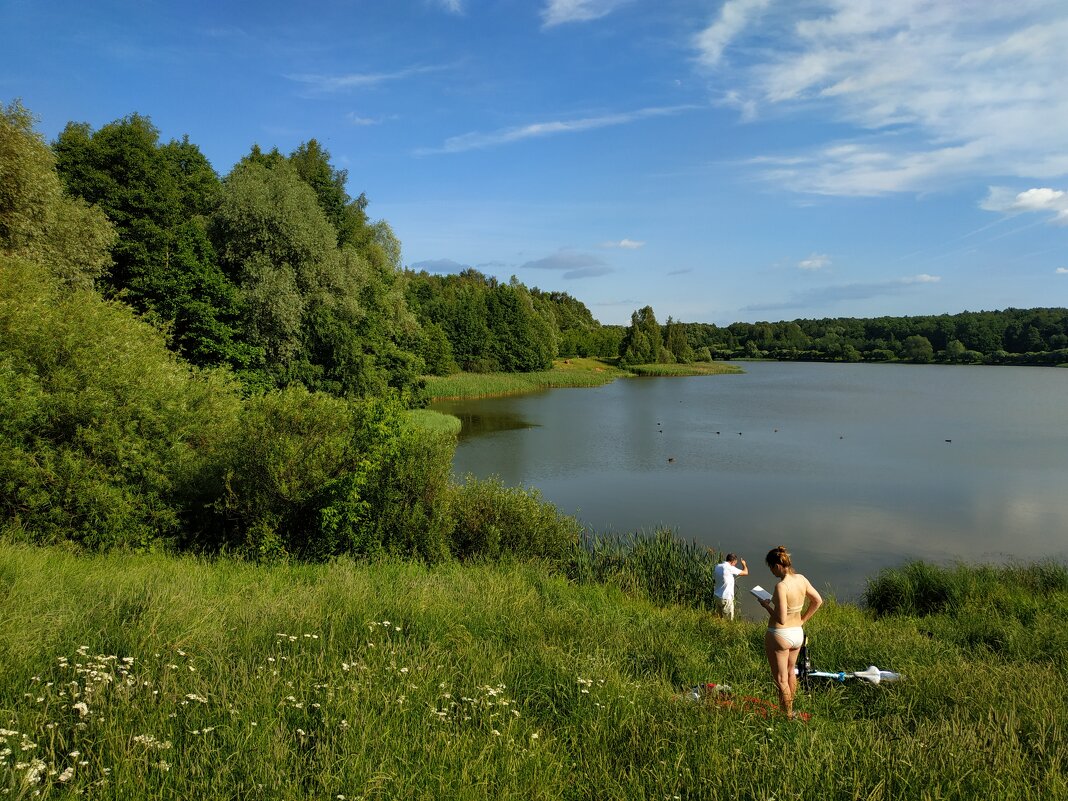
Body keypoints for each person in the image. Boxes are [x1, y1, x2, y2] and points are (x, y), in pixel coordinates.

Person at [757, 545, 823, 718]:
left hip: (780, 634)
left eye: (771, 568)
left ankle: (786, 715)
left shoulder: (781, 586)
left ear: (777, 566)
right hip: (797, 634)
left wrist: (766, 606)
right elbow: (817, 601)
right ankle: (790, 708)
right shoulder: (801, 579)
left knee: (781, 679)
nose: (772, 572)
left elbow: (781, 619)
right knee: (790, 672)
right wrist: (803, 620)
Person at [712, 552, 748, 620]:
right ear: (733, 562)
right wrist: (744, 564)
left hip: (717, 596)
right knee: (728, 620)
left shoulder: (717, 566)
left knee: (720, 618)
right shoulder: (729, 568)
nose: (734, 565)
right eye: (735, 563)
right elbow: (746, 572)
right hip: (726, 598)